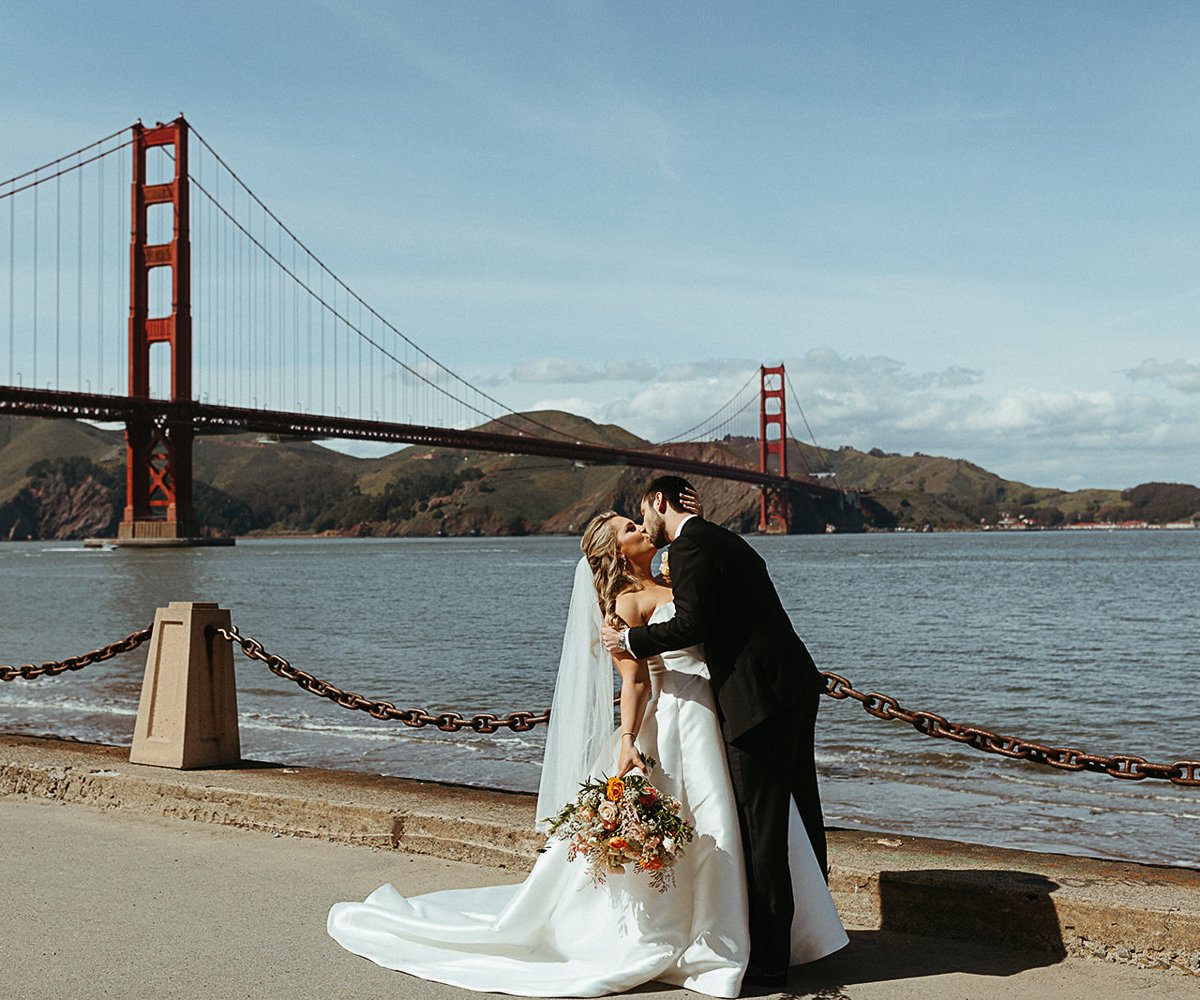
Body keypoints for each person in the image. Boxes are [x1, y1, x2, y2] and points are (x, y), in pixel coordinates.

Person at [327, 509, 845, 997]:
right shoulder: (623, 606)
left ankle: (760, 934)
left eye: (636, 521)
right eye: (627, 529)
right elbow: (636, 683)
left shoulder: (678, 579)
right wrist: (627, 744)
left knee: (746, 824)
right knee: (708, 828)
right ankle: (701, 932)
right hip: (678, 722)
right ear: (616, 553)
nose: (641, 529)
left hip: (718, 712)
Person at [601, 475, 830, 987]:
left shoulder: (688, 550)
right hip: (791, 686)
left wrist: (630, 638)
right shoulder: (724, 541)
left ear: (660, 502)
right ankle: (806, 935)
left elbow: (694, 624)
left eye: (644, 514)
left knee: (761, 827)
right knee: (797, 814)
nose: (645, 525)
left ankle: (771, 960)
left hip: (755, 699)